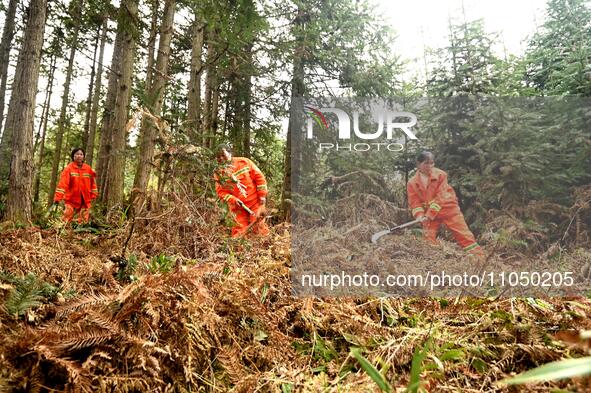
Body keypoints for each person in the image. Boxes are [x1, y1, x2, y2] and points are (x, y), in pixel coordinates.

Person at [407, 151, 484, 256]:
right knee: (427, 239)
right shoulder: (412, 183)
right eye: (426, 163)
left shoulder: (441, 175)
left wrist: (429, 214)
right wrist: (419, 215)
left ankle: (479, 258)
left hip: (448, 209)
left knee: (464, 235)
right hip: (429, 215)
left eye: (432, 163)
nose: (429, 166)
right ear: (418, 164)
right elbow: (414, 202)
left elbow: (441, 196)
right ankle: (433, 260)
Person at [214, 144, 270, 238]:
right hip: (237, 207)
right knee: (238, 232)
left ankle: (264, 250)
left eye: (223, 155)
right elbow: (221, 192)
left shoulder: (244, 162)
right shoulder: (219, 173)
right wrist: (234, 200)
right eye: (218, 156)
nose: (221, 158)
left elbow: (259, 178)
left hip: (255, 202)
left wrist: (262, 196)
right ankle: (240, 251)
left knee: (258, 228)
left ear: (230, 153)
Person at [53, 148, 98, 224]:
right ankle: (64, 232)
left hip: (85, 199)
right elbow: (63, 184)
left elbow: (92, 183)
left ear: (83, 156)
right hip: (71, 199)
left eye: (81, 154)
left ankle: (81, 233)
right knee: (67, 217)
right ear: (73, 156)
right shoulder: (68, 169)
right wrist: (58, 197)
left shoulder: (88, 169)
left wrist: (93, 194)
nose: (79, 156)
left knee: (83, 220)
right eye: (77, 154)